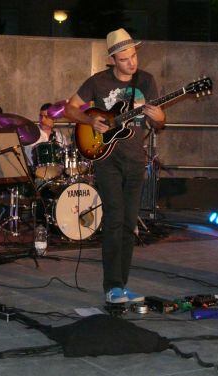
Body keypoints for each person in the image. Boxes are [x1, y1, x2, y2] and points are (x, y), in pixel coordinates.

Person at [64, 28, 165, 304]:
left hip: (135, 160)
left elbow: (156, 123)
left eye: (133, 56)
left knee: (129, 223)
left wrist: (159, 118)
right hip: (106, 158)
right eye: (124, 59)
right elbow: (69, 108)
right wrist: (88, 121)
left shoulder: (146, 81)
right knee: (114, 218)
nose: (131, 63)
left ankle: (121, 285)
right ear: (112, 60)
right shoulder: (98, 82)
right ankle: (112, 286)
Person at [22, 102, 67, 167]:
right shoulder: (31, 135)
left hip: (57, 173)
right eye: (41, 116)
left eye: (46, 117)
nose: (42, 120)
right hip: (35, 173)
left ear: (54, 119)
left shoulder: (60, 137)